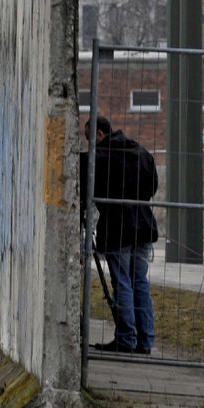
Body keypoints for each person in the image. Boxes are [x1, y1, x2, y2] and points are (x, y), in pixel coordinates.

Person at [82, 115, 159, 355]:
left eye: (88, 138)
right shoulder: (141, 153)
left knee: (122, 282)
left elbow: (86, 189)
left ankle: (126, 338)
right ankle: (145, 339)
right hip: (143, 224)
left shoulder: (100, 158)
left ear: (99, 134)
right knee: (140, 282)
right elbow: (152, 187)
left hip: (118, 227)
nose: (88, 144)